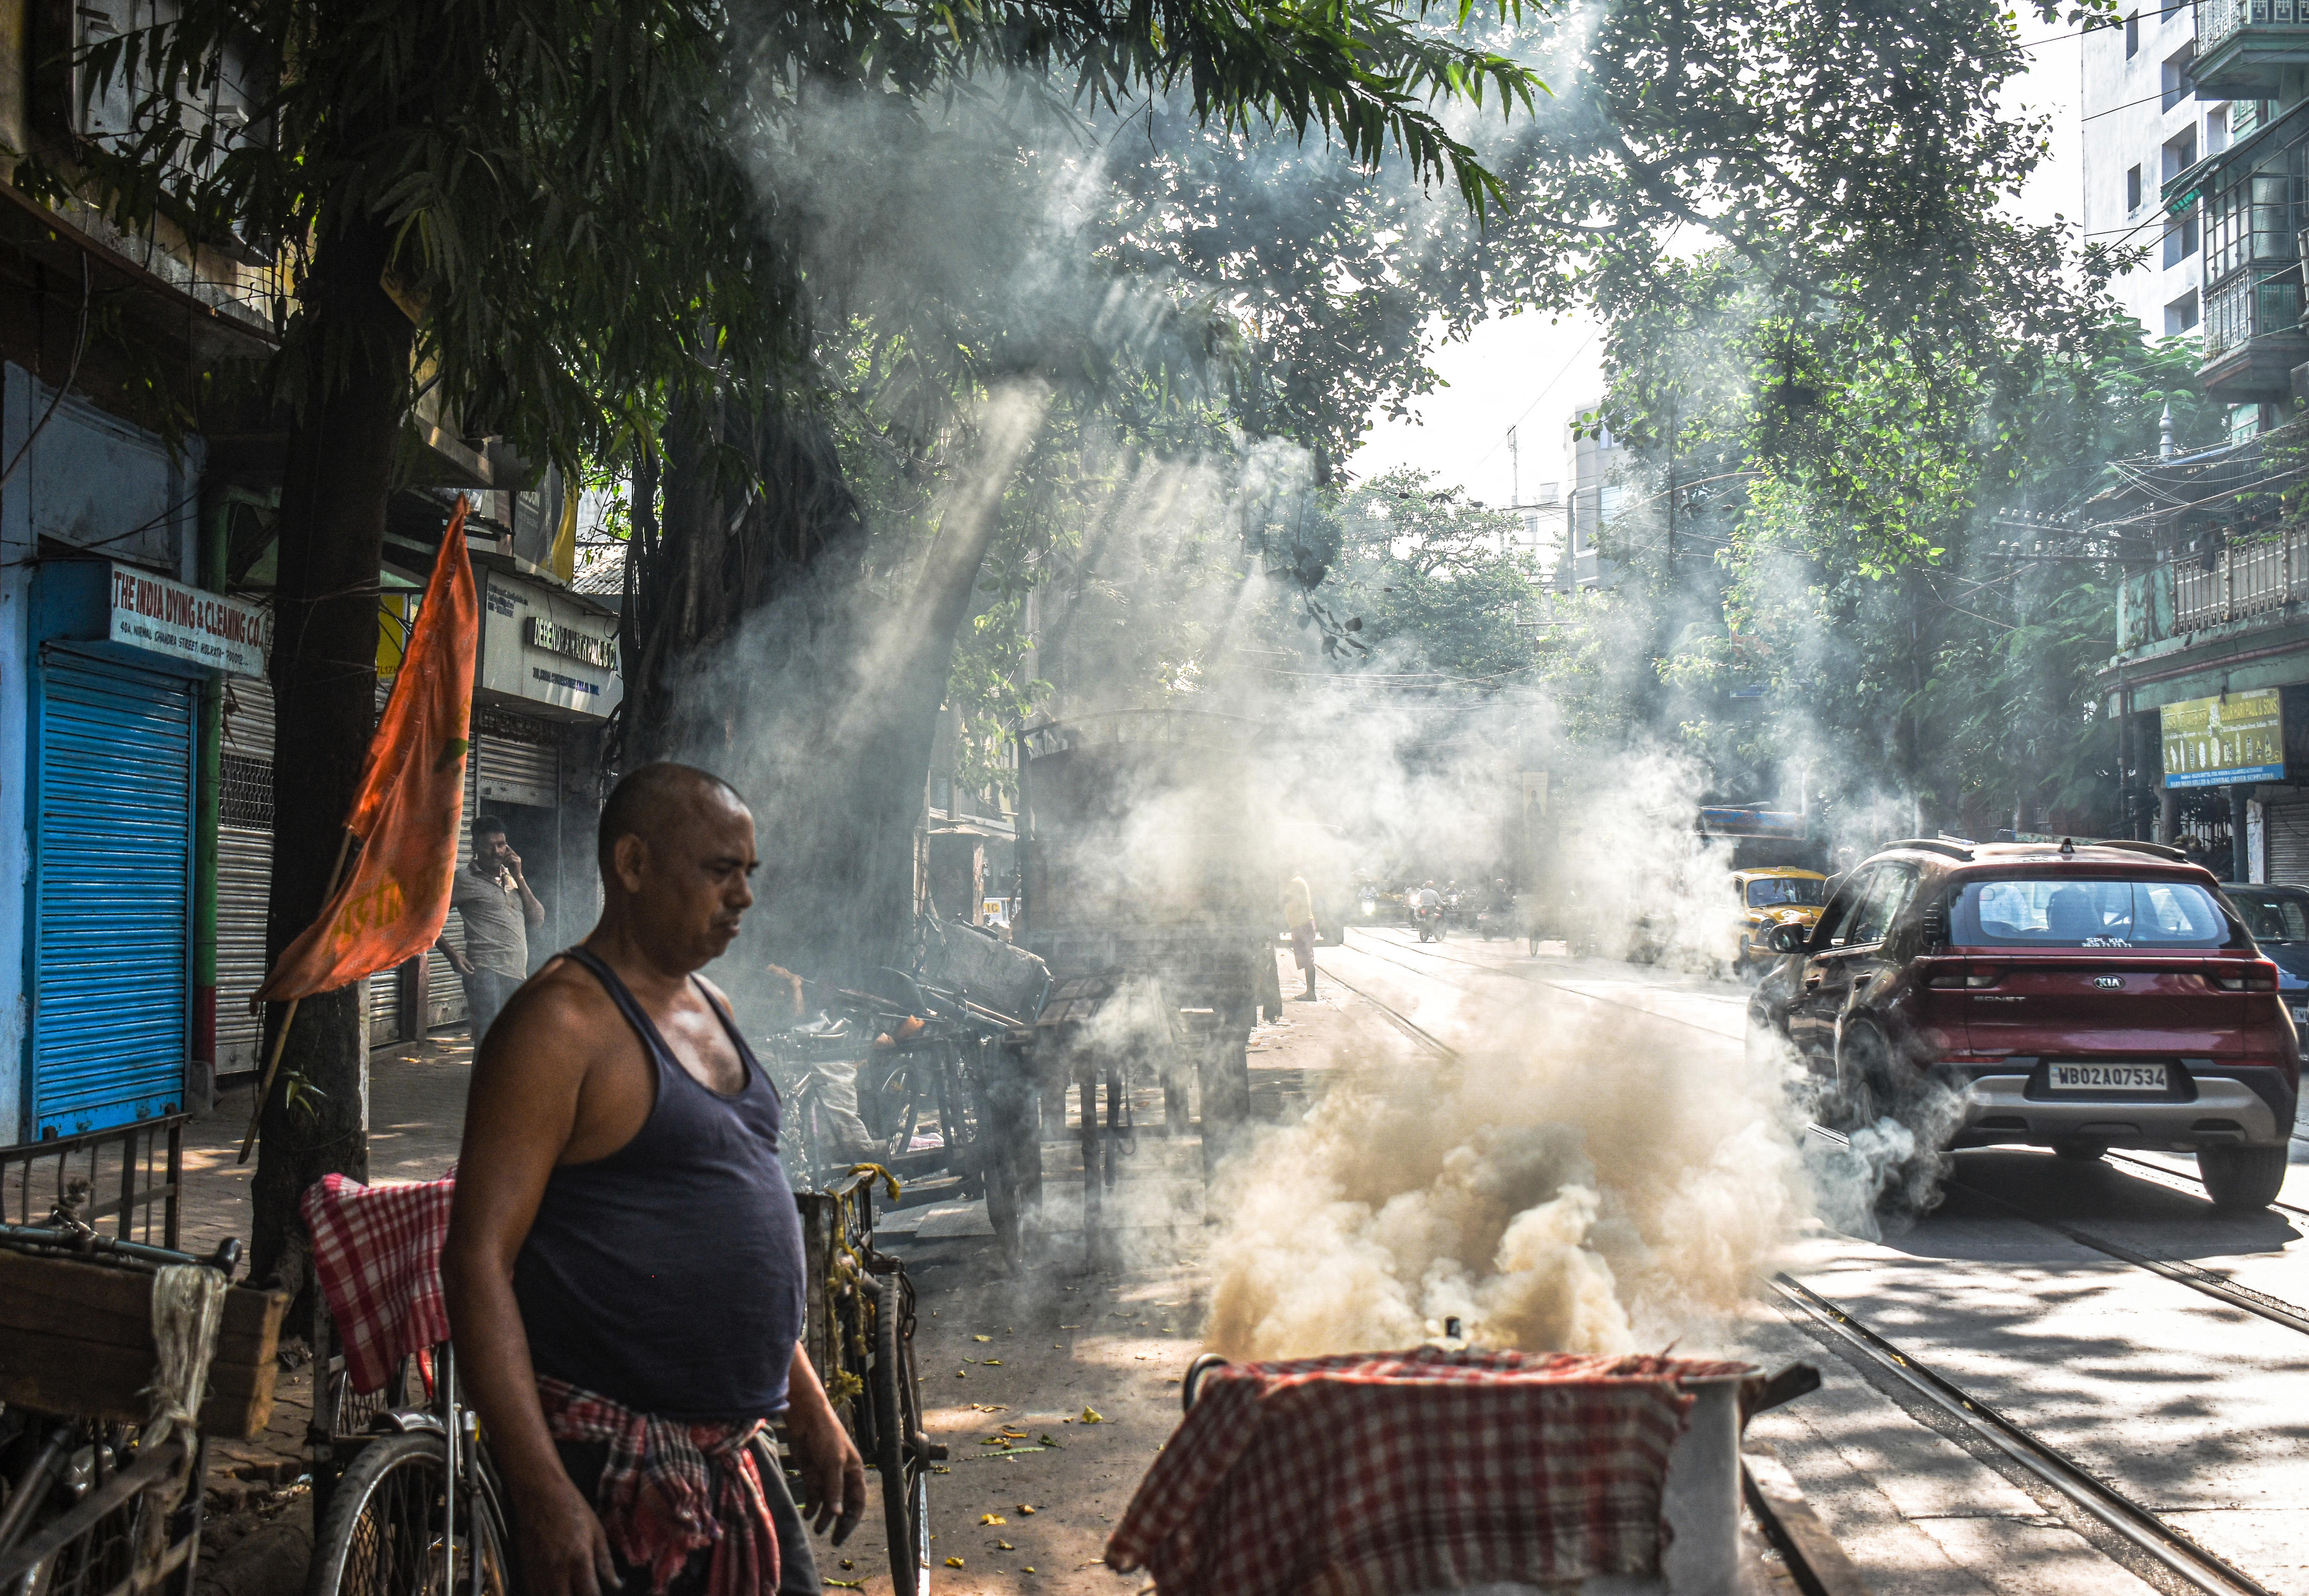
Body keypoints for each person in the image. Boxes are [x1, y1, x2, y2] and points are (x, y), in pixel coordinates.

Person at [442, 764, 865, 1596]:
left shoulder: (718, 1008)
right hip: (612, 1475)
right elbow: (476, 1262)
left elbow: (721, 1227)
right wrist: (543, 1491)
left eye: (749, 873)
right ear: (632, 865)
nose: (743, 895)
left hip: (734, 1458)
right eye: (719, 870)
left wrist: (808, 1401)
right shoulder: (558, 1026)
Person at [438, 814, 545, 1047]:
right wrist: (453, 956)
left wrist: (519, 876)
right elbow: (426, 920)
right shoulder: (464, 880)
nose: (497, 851)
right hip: (485, 974)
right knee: (489, 1041)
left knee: (511, 1044)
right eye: (489, 846)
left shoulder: (513, 880)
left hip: (516, 973)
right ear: (475, 847)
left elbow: (537, 919)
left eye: (502, 844)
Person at [1281, 874, 1318, 1001]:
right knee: (1306, 959)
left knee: (1308, 959)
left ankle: (1311, 993)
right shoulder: (1297, 882)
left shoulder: (1295, 883)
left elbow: (1285, 900)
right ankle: (1310, 992)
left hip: (1303, 925)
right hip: (1300, 925)